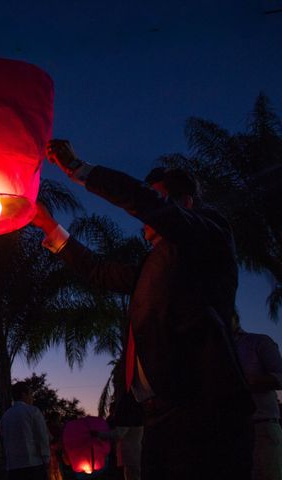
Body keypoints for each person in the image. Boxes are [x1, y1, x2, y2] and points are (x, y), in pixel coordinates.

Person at [31, 139, 254, 480]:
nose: (148, 215)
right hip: (159, 418)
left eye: (161, 199)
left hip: (201, 411)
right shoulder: (155, 266)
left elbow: (147, 203)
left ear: (186, 204)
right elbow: (99, 271)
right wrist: (49, 227)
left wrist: (79, 169)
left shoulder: (211, 236)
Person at [232, 311, 282, 480]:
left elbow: (280, 377)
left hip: (262, 428)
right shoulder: (220, 350)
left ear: (235, 317)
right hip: (231, 432)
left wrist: (246, 383)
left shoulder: (258, 342)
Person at [0, 381, 50, 480]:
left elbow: (3, 440)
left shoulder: (5, 417)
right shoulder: (33, 411)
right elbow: (42, 437)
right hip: (33, 464)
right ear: (24, 394)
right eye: (30, 394)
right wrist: (46, 458)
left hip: (13, 467)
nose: (32, 397)